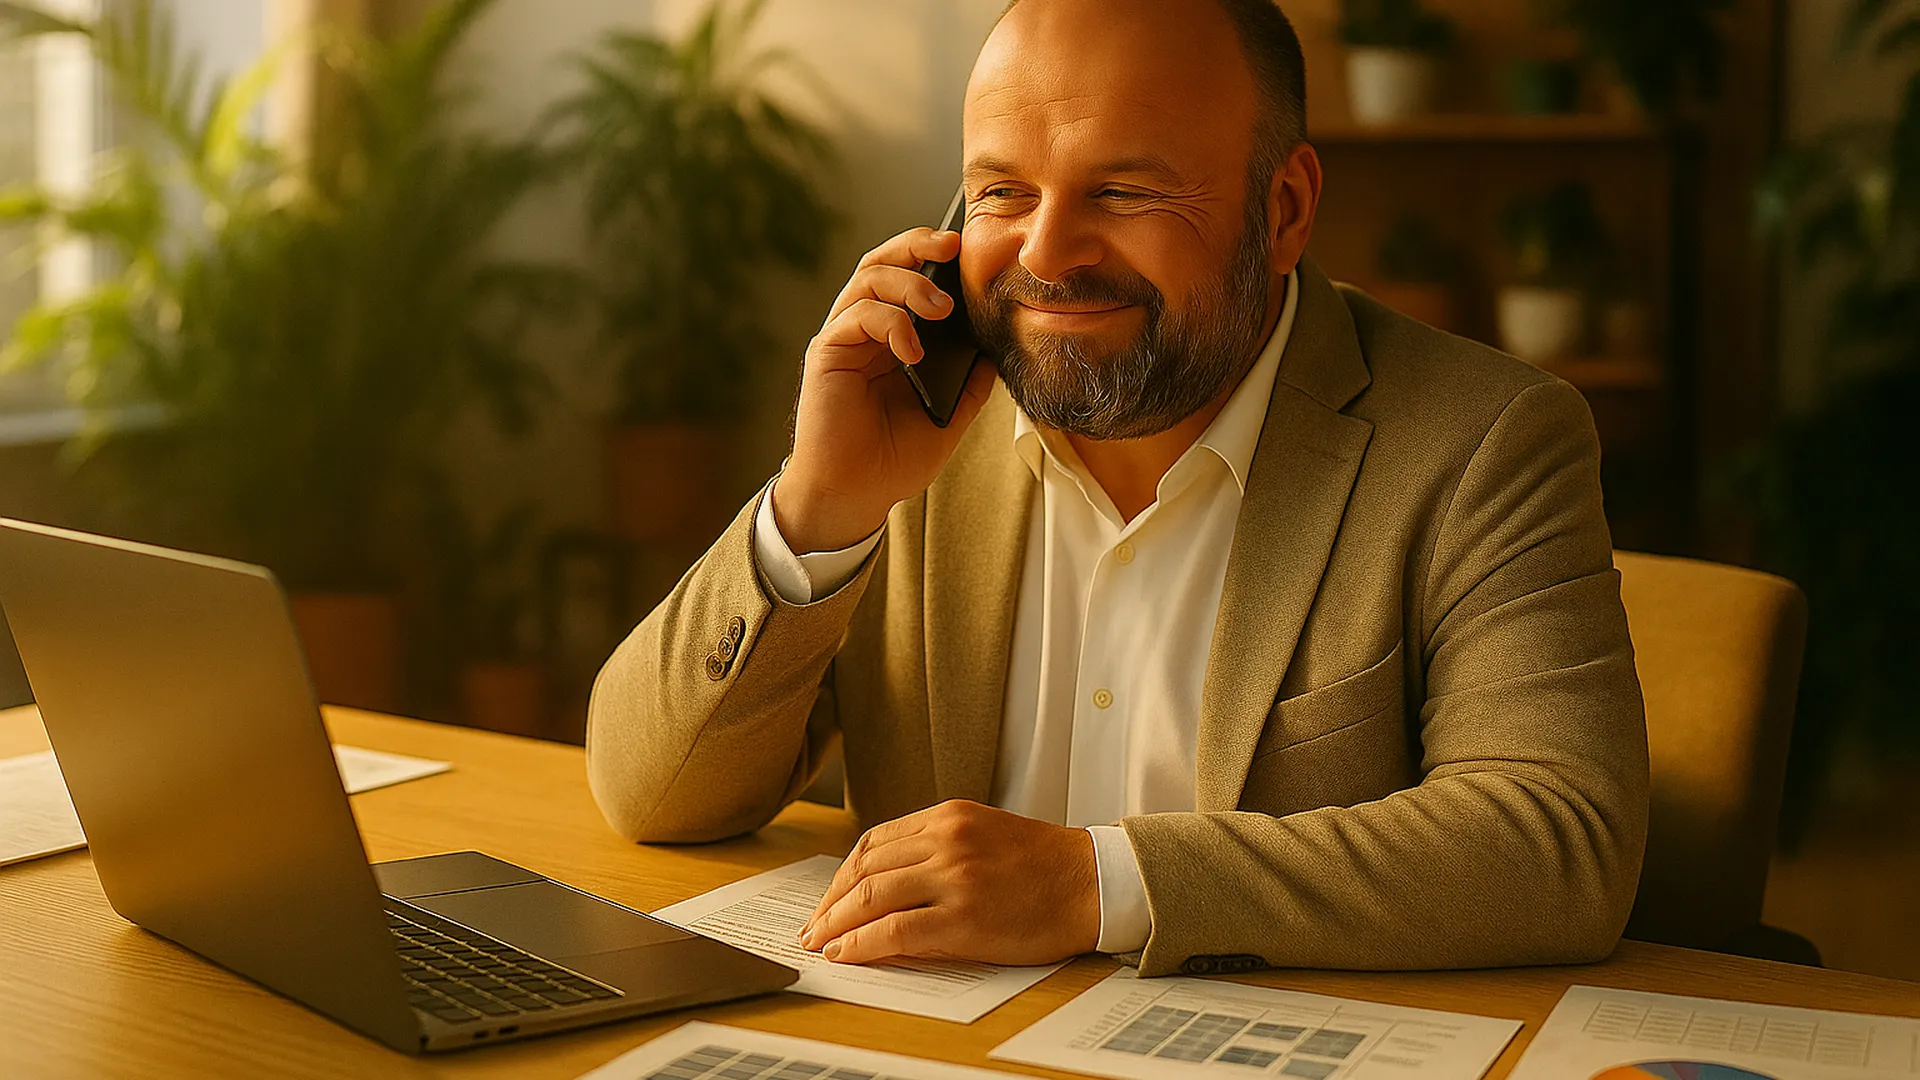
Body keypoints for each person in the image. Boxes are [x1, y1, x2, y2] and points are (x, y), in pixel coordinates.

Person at [586, 0, 1649, 976]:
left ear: (1283, 209)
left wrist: (1093, 884)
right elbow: (651, 793)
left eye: (1124, 191)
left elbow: (1556, 838)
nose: (1047, 253)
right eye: (1003, 191)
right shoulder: (911, 428)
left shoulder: (1483, 441)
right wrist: (815, 515)